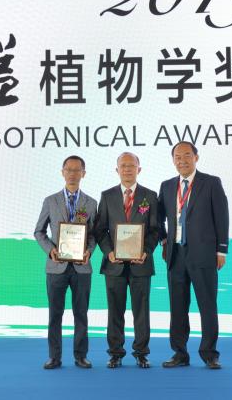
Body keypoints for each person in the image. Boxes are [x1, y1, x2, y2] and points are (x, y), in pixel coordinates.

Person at [157, 141, 229, 369]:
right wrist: (163, 240)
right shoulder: (167, 186)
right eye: (177, 157)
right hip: (175, 255)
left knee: (207, 304)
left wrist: (221, 249)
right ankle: (180, 353)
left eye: (187, 155)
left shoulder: (211, 183)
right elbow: (158, 218)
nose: (182, 161)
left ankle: (209, 353)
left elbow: (222, 217)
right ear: (173, 161)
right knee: (177, 307)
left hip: (204, 253)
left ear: (196, 157)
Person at [94, 152, 158, 369]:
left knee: (142, 312)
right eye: (123, 165)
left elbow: (156, 230)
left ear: (139, 169)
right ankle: (115, 353)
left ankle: (141, 353)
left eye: (132, 165)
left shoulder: (150, 196)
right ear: (117, 170)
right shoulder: (107, 196)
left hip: (141, 264)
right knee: (115, 311)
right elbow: (100, 230)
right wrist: (108, 252)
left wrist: (146, 251)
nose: (127, 169)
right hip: (115, 265)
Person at [34, 155, 98, 369]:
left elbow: (94, 235)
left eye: (77, 170)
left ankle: (81, 356)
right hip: (56, 266)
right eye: (68, 169)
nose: (72, 174)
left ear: (83, 173)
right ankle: (54, 356)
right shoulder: (50, 201)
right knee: (55, 314)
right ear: (62, 172)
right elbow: (39, 231)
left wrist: (89, 251)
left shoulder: (91, 203)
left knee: (81, 314)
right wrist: (50, 250)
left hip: (82, 267)